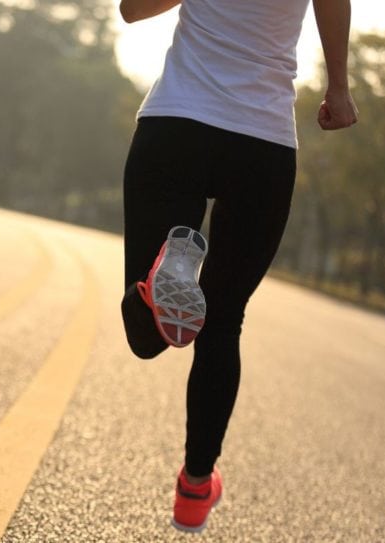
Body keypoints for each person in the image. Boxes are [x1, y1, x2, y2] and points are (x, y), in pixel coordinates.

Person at [117, 0, 358, 533]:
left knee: (149, 335)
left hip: (176, 127)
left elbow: (132, 10)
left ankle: (161, 285)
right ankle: (195, 486)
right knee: (223, 324)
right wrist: (338, 88)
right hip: (263, 144)